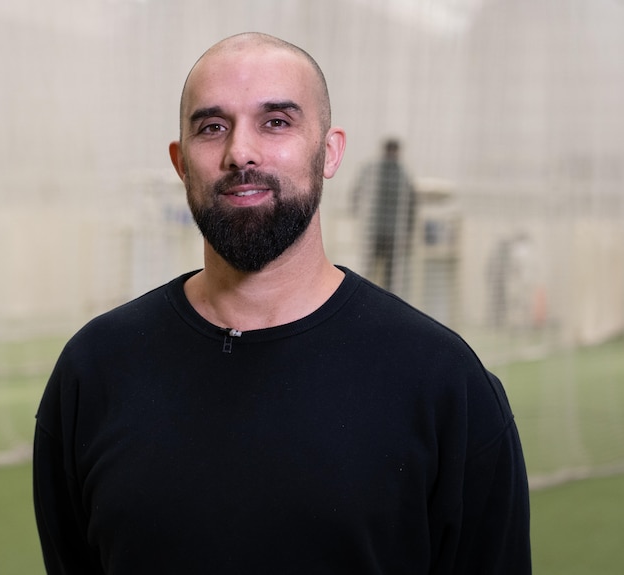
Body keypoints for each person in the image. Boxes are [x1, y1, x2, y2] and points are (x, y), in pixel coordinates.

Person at [33, 32, 531, 574]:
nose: (240, 152)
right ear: (180, 162)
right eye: (212, 127)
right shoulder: (95, 369)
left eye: (276, 122)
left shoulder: (444, 383)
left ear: (330, 151)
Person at [351, 138, 417, 294]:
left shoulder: (374, 170)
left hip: (378, 231)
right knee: (388, 273)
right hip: (390, 232)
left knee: (370, 268)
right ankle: (384, 298)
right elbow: (410, 205)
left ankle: (364, 295)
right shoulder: (402, 174)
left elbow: (356, 193)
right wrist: (408, 231)